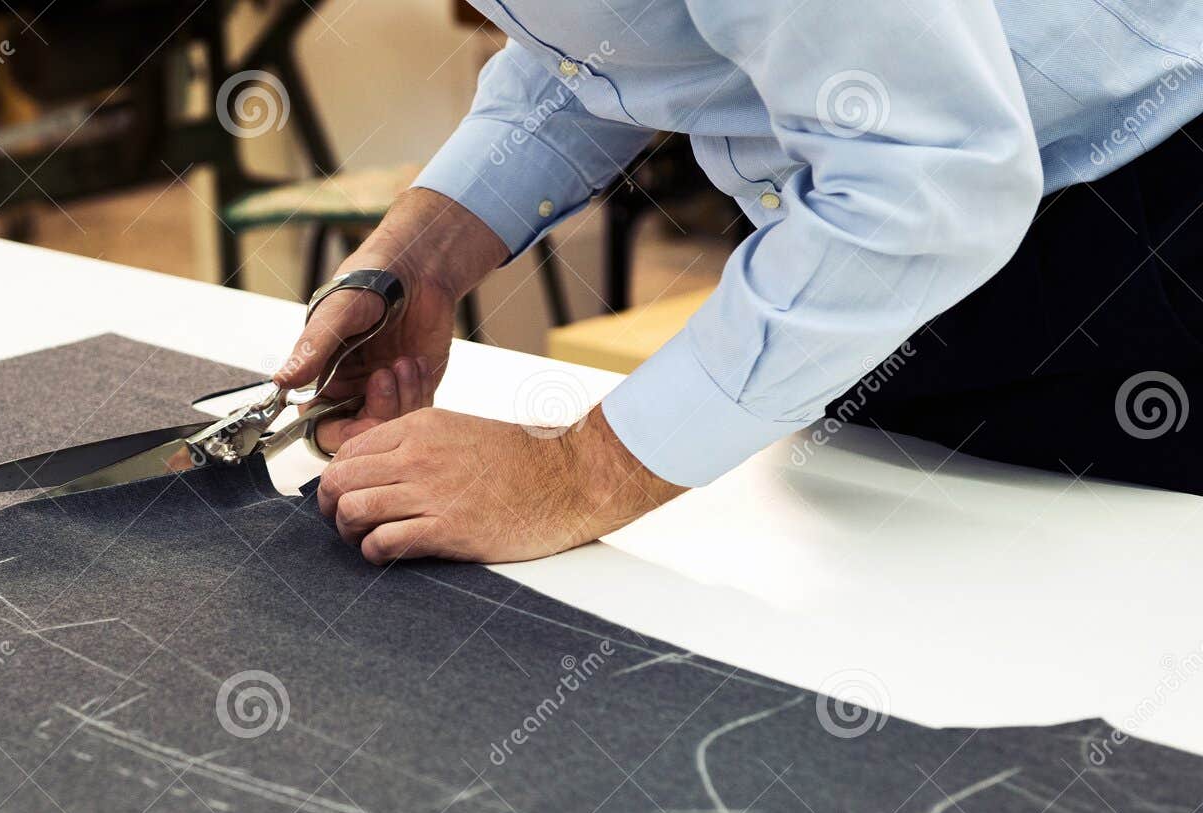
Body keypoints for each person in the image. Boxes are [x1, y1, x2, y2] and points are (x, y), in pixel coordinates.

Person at [277, 1, 1203, 565]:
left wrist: (573, 476)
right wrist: (425, 255)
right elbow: (611, 39)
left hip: (1147, 235)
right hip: (899, 264)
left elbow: (926, 175)